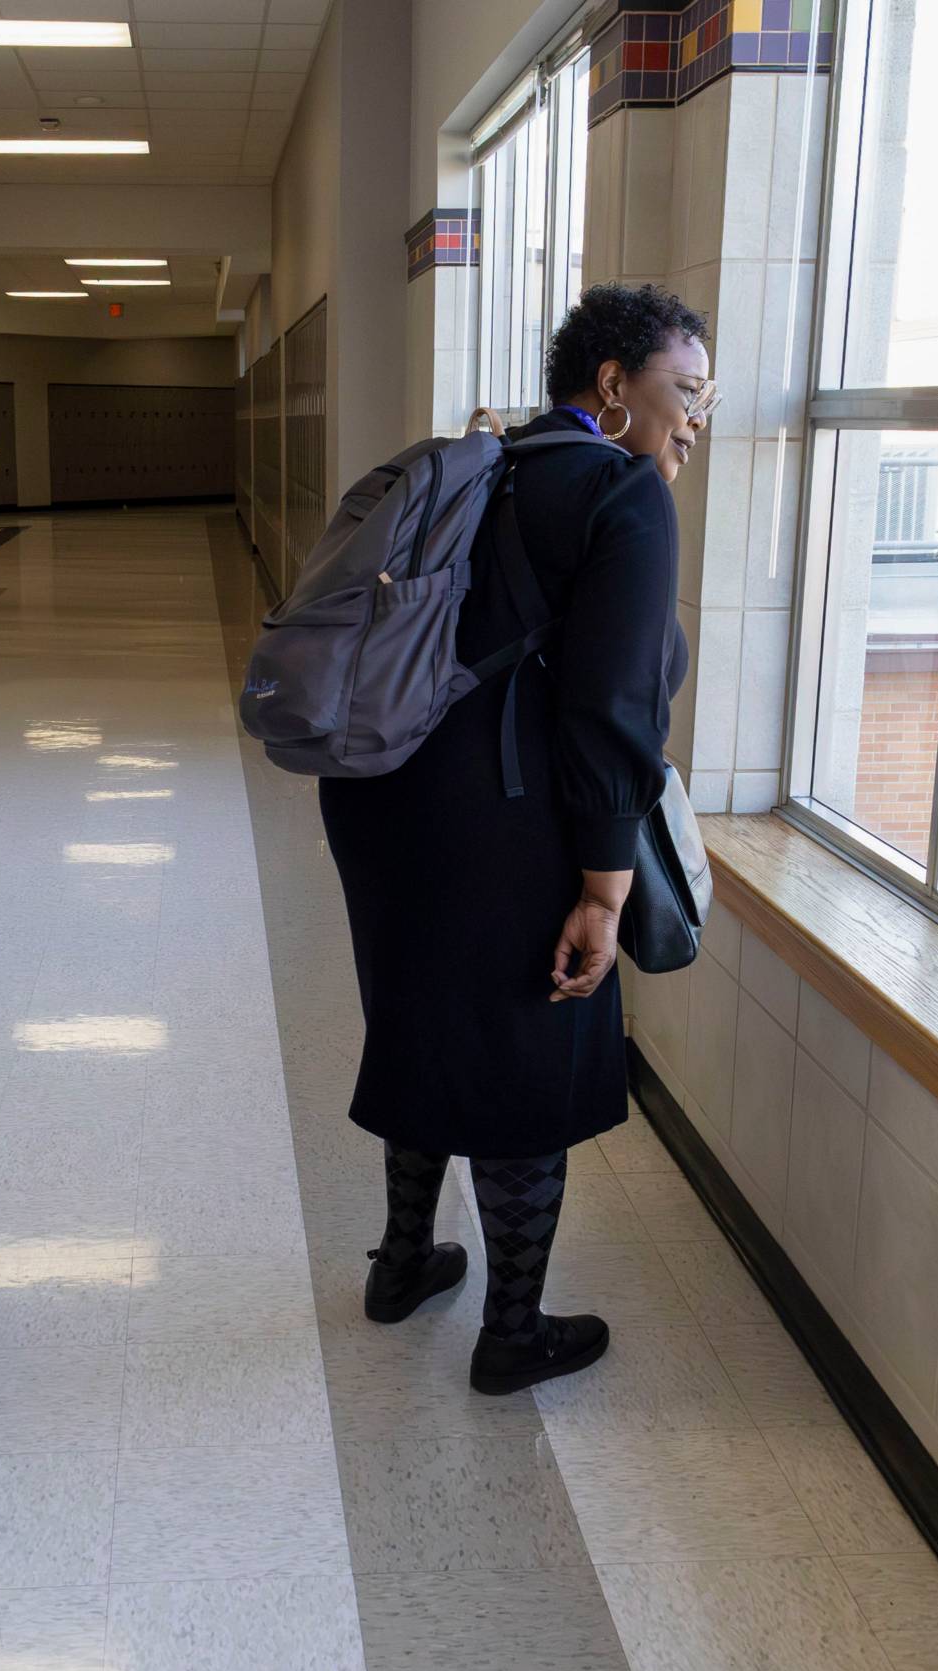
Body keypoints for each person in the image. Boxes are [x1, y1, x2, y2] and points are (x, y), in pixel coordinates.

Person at [320, 282, 712, 1395]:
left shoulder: (472, 460)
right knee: (528, 1056)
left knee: (422, 1021)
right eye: (681, 391)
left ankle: (402, 1263)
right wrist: (600, 888)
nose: (692, 419)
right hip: (507, 822)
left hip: (381, 794)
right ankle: (512, 1329)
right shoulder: (623, 495)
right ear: (611, 385)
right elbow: (613, 712)